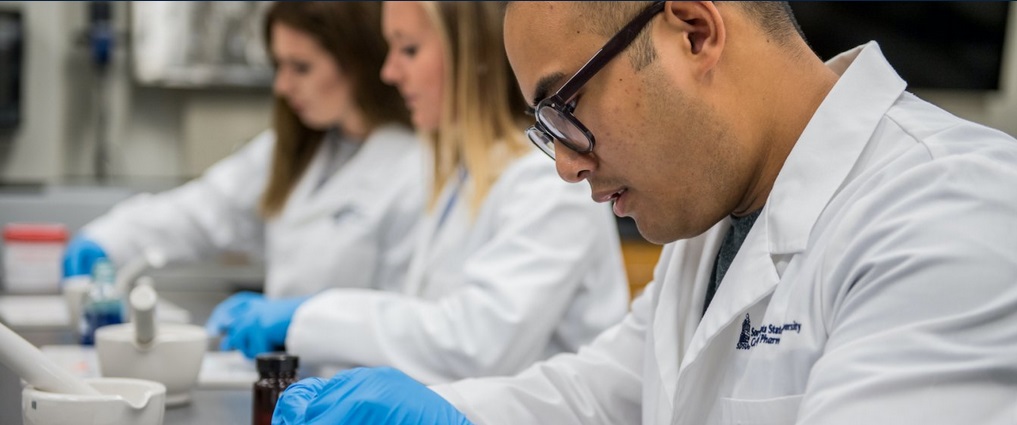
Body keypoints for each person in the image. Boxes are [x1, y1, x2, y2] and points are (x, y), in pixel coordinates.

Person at [271, 1, 1017, 424]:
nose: (564, 163)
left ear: (693, 31)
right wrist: (446, 412)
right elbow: (602, 393)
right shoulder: (713, 219)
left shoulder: (951, 208)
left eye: (565, 107)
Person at [277, 1, 629, 384]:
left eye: (409, 49)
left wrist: (310, 316)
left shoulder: (547, 185)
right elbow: (423, 328)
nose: (389, 72)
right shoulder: (456, 179)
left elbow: (477, 346)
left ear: (470, 54)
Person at [63, 2, 424, 357]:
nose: (283, 85)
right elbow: (206, 208)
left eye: (301, 67)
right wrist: (109, 239)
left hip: (356, 387)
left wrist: (305, 319)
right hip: (287, 378)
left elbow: (407, 321)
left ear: (359, 63)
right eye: (279, 65)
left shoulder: (416, 166)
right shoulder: (298, 147)